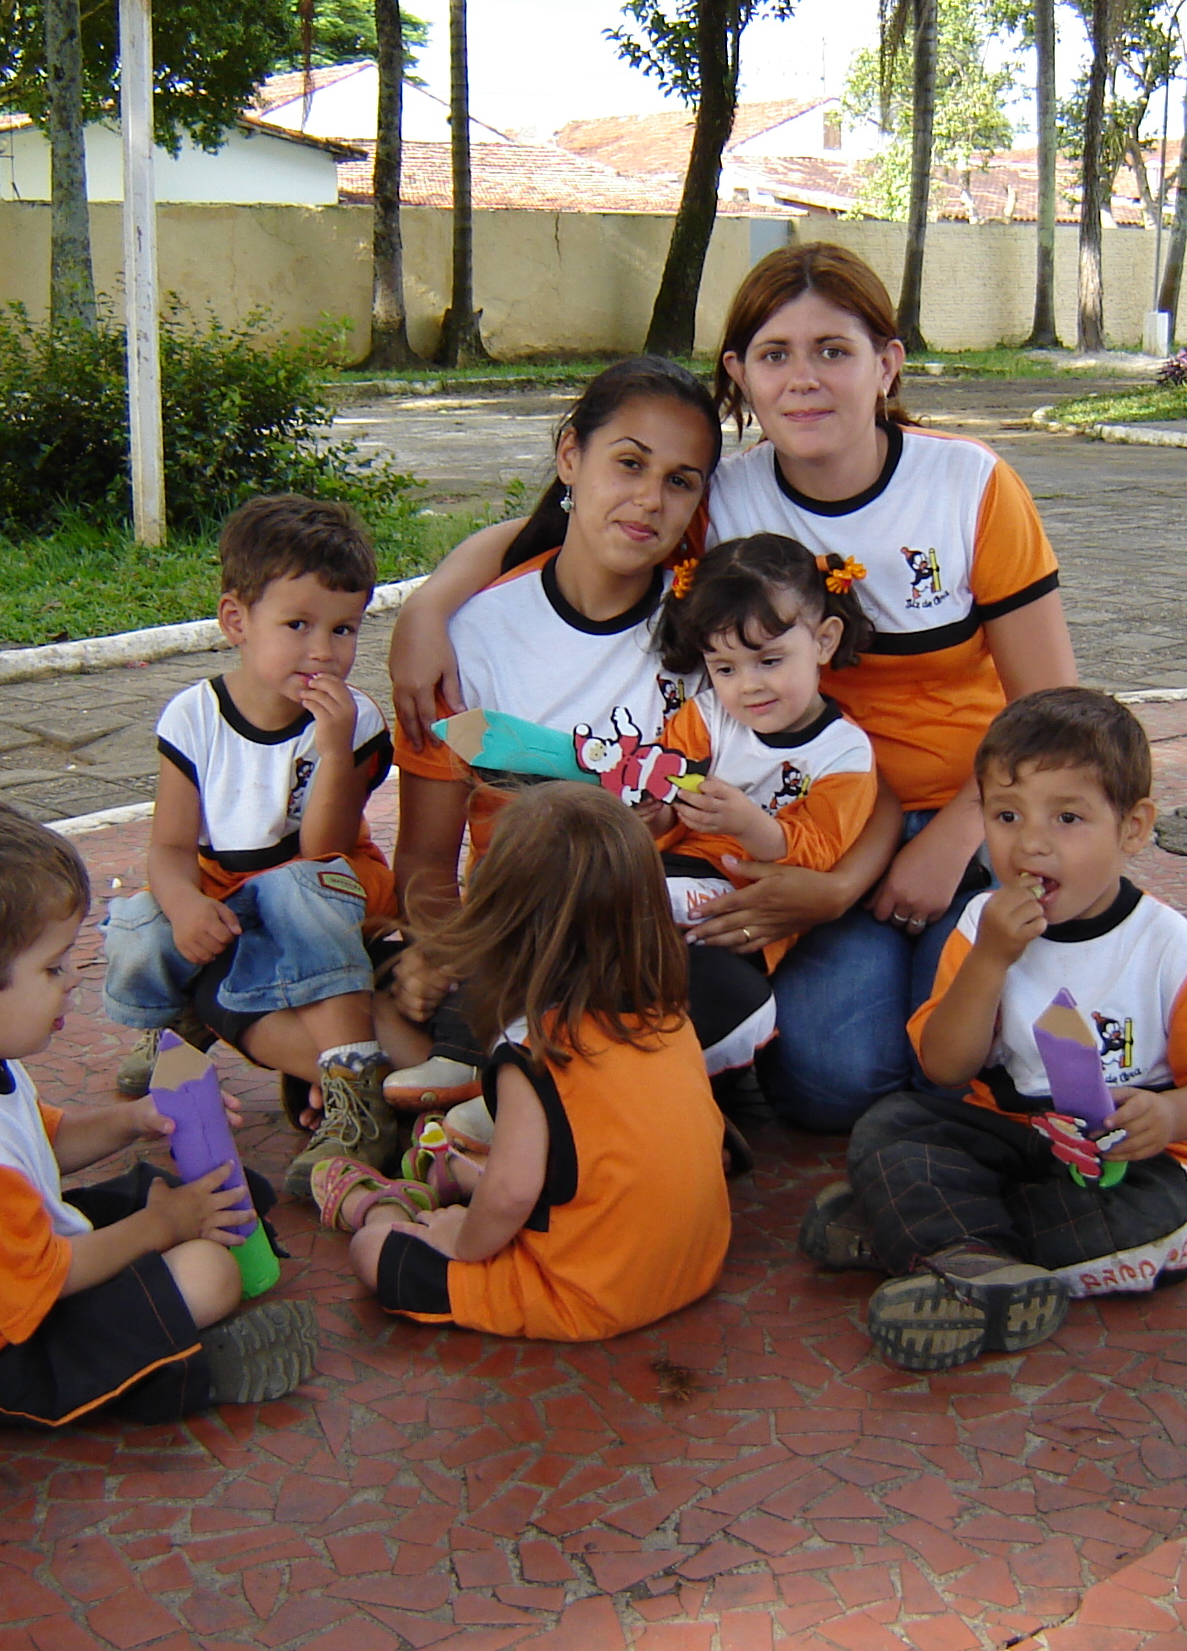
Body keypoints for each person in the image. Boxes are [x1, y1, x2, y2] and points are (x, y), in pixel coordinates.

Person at [390, 244, 1077, 1131]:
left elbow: (1050, 714)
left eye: (833, 350)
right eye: (775, 353)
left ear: (886, 364)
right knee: (828, 1081)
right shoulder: (722, 501)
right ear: (739, 374)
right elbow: (575, 528)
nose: (805, 379)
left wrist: (954, 837)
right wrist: (429, 607)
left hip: (968, 812)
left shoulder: (969, 485)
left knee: (1002, 1041)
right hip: (805, 822)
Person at [800, 690, 1187, 1372]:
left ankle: (935, 1244)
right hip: (1009, 1137)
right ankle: (965, 1259)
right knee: (894, 1125)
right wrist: (991, 960)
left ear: (1133, 829)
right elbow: (945, 1068)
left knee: (1159, 1222)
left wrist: (1171, 1115)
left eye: (1068, 818)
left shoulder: (1166, 945)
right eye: (1007, 815)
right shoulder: (979, 926)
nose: (1031, 843)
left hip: (1124, 1166)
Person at [0, 788, 316, 1434]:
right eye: (51, 968)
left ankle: (173, 1304)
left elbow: (44, 1144)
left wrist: (135, 1119)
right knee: (203, 1269)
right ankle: (185, 1372)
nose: (72, 978)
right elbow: (41, 1280)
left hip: (11, 1271)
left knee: (218, 1198)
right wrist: (160, 1227)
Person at [385, 355, 775, 1103]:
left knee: (738, 1000)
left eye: (680, 481)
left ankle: (518, 1094)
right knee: (397, 985)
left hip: (656, 937)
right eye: (629, 463)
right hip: (518, 931)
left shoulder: (713, 625)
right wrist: (436, 950)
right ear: (571, 455)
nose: (649, 500)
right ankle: (564, 1094)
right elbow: (426, 864)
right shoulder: (471, 639)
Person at [320, 784, 733, 1344]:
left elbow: (514, 1193)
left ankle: (380, 1208)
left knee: (373, 1251)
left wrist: (459, 1238)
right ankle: (450, 1172)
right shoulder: (669, 1019)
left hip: (584, 1294)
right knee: (506, 1171)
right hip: (693, 1266)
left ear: (503, 922)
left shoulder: (534, 1052)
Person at [100, 494, 402, 1199]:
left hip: (329, 881)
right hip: (227, 884)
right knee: (140, 925)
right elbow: (169, 848)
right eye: (298, 625)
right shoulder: (194, 716)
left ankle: (354, 1078)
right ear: (237, 621)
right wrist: (184, 907)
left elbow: (324, 849)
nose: (323, 650)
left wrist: (333, 750)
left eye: (344, 629)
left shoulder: (353, 720)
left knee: (296, 892)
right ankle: (174, 1026)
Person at [648, 531, 879, 973]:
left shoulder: (845, 752)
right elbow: (669, 800)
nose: (748, 686)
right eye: (725, 669)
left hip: (760, 908)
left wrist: (749, 825)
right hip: (676, 870)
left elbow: (821, 852)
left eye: (769, 661)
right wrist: (653, 813)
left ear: (824, 641)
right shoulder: (706, 716)